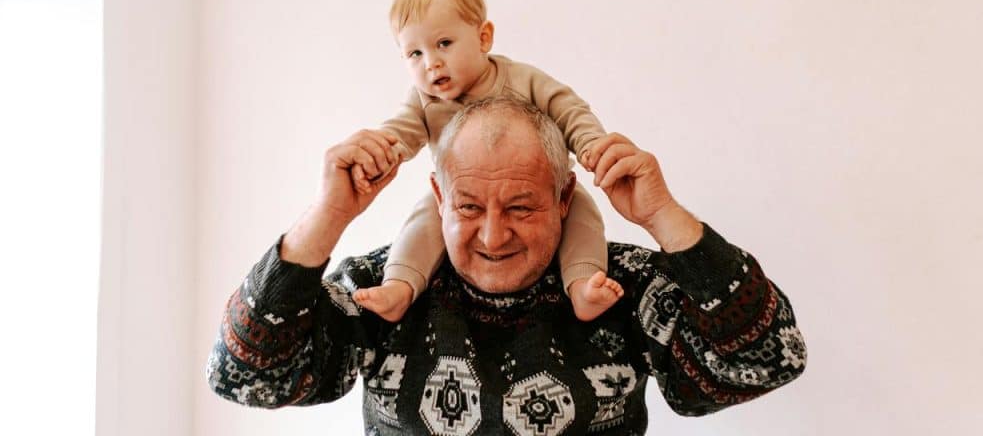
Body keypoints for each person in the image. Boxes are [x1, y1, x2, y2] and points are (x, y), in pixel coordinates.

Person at [207, 97, 807, 435]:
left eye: (521, 207)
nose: (493, 235)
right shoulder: (383, 288)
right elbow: (246, 376)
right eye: (468, 207)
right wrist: (327, 218)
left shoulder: (618, 285)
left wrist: (663, 215)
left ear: (565, 198)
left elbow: (768, 358)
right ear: (439, 198)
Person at [351, 0, 622, 323]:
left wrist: (590, 144)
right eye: (414, 54)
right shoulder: (423, 101)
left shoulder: (522, 80)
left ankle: (584, 284)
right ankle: (400, 285)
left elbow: (567, 108)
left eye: (443, 44)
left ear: (483, 38)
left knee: (583, 215)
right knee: (425, 218)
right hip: (462, 201)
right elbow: (400, 131)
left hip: (539, 192)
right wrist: (380, 152)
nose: (431, 63)